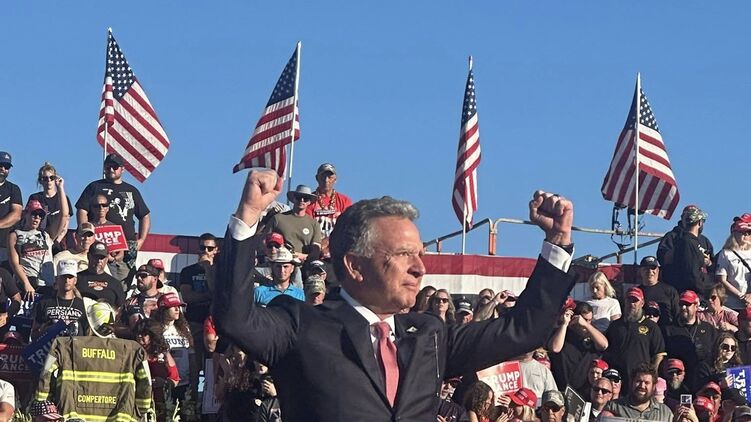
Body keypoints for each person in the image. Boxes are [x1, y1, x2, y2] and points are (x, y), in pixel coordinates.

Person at [213, 169, 577, 422]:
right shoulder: (301, 325)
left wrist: (557, 243)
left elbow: (523, 330)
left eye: (420, 254)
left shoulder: (430, 336)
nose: (419, 268)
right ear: (355, 266)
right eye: (404, 255)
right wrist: (248, 217)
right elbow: (235, 317)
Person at [76, 153, 150, 270]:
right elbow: (82, 210)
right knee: (96, 274)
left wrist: (141, 240)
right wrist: (85, 234)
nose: (111, 169)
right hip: (98, 244)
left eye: (115, 167)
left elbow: (144, 215)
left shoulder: (132, 191)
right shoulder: (94, 187)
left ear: (122, 169)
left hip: (126, 245)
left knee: (125, 277)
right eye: (108, 167)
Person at [602, 286, 666, 387]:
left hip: (640, 380)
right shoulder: (615, 325)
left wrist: (652, 375)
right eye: (629, 300)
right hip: (617, 380)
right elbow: (606, 351)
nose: (632, 304)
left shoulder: (651, 326)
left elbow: (659, 354)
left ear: (642, 303)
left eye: (635, 301)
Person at [548, 301, 608, 397]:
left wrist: (586, 325)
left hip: (586, 391)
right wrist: (565, 324)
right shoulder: (562, 332)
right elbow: (555, 348)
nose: (586, 323)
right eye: (584, 319)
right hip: (562, 388)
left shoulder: (592, 333)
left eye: (590, 320)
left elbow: (604, 345)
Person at [663, 290, 719, 389]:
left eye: (687, 304)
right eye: (681, 304)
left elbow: (717, 355)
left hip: (704, 381)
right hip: (678, 382)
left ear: (696, 306)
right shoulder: (668, 330)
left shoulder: (709, 329)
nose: (683, 307)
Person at [153, 292, 194, 413]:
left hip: (184, 383)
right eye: (173, 306)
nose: (177, 309)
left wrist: (194, 380)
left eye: (179, 306)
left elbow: (192, 356)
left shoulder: (184, 329)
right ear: (163, 309)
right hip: (164, 382)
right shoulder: (155, 329)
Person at [659, 205, 715, 289]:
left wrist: (708, 262)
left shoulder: (704, 241)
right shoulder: (672, 237)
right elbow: (662, 258)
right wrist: (681, 253)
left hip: (700, 286)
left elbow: (714, 265)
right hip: (677, 286)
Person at [134, 318, 179, 422]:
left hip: (160, 406)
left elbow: (175, 379)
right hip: (138, 406)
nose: (140, 337)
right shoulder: (133, 355)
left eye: (144, 334)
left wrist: (163, 382)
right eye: (138, 334)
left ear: (153, 336)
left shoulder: (164, 355)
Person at [31, 259, 88, 339]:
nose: (67, 280)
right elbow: (33, 335)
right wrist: (46, 331)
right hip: (51, 345)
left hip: (74, 345)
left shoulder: (83, 305)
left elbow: (88, 336)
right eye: (63, 277)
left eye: (70, 277)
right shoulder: (44, 303)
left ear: (75, 280)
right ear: (57, 279)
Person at [265, 184, 322, 264]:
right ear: (294, 198)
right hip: (280, 264)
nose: (302, 200)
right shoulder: (277, 218)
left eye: (305, 198)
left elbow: (316, 251)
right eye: (299, 197)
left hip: (303, 265)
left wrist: (299, 256)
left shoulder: (314, 223)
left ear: (309, 202)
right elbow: (264, 241)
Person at [9, 200, 54, 299]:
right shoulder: (15, 234)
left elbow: (64, 216)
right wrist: (26, 283)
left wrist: (60, 191)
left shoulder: (46, 235)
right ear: (26, 214)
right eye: (34, 214)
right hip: (28, 282)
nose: (37, 217)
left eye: (40, 215)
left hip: (47, 284)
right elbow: (14, 263)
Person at [604, 363, 673, 421]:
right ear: (631, 383)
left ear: (653, 387)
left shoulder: (665, 413)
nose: (642, 386)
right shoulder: (613, 407)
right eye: (638, 381)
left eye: (647, 383)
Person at [28, 162, 71, 248]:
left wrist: (56, 241)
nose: (49, 181)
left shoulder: (63, 198)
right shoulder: (35, 197)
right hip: (39, 240)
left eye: (52, 178)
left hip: (58, 241)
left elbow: (66, 220)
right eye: (45, 178)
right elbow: (29, 219)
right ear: (40, 181)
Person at [305, 163, 353, 239]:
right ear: (317, 178)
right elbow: (306, 227)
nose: (326, 180)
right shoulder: (309, 200)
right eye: (323, 177)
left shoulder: (345, 201)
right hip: (314, 242)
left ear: (335, 179)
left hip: (338, 242)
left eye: (330, 177)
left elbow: (348, 226)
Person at [716, 214, 751, 311]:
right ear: (735, 233)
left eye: (749, 233)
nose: (747, 235)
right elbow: (722, 279)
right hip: (731, 305)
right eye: (743, 232)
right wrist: (741, 296)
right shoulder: (726, 253)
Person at [75, 241, 124, 309]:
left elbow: (120, 309)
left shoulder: (115, 283)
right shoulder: (76, 279)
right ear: (88, 256)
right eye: (96, 257)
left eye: (102, 258)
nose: (99, 261)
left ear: (107, 259)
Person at [638, 256, 680, 325]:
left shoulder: (670, 291)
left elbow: (677, 316)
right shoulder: (636, 293)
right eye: (646, 268)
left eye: (653, 268)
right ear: (640, 271)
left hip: (666, 330)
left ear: (658, 270)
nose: (650, 271)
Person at [0, 152, 22, 265]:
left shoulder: (13, 189)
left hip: (5, 246)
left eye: (7, 166)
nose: (3, 169)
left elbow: (16, 215)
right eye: (0, 165)